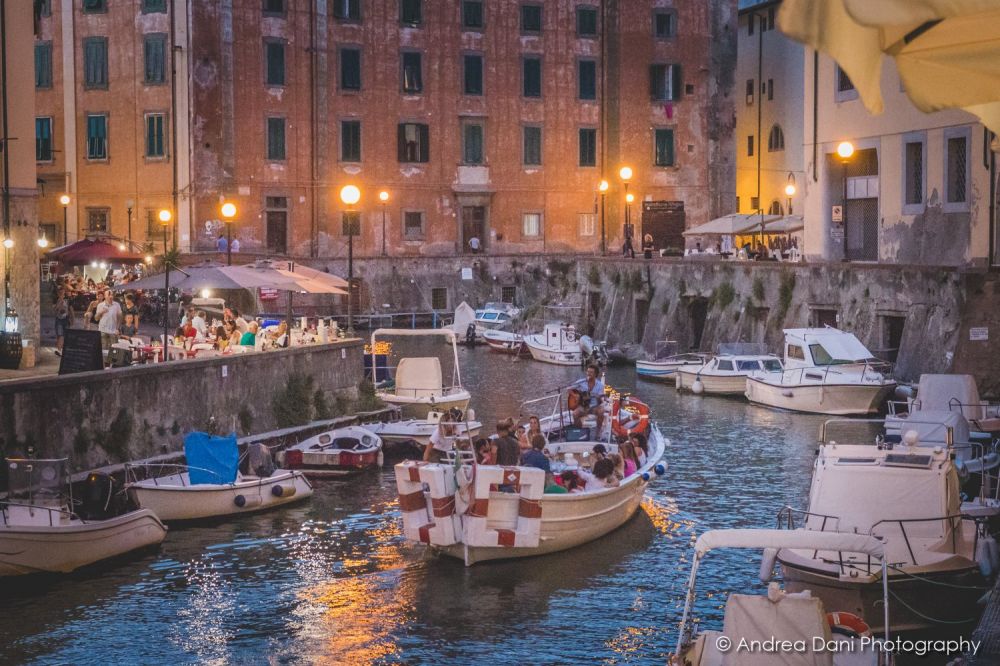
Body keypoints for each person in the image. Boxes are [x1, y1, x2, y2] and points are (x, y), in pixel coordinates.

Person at [570, 364, 606, 434]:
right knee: (575, 414)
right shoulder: (581, 382)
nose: (588, 374)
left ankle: (598, 432)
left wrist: (599, 398)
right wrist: (575, 396)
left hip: (594, 406)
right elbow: (569, 389)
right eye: (588, 372)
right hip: (583, 406)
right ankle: (579, 432)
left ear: (595, 374)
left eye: (591, 372)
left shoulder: (600, 385)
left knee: (601, 412)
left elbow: (600, 399)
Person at [53, 289, 74, 356]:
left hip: (66, 318)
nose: (62, 294)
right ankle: (59, 350)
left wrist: (72, 318)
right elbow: (55, 309)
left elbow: (71, 309)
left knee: (66, 334)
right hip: (59, 319)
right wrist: (59, 302)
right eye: (60, 293)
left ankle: (63, 349)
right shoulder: (56, 300)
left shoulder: (68, 299)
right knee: (60, 335)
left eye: (63, 292)